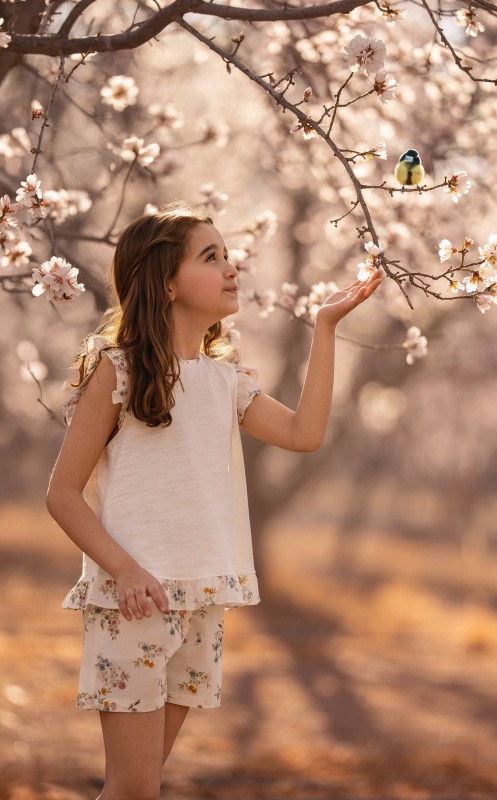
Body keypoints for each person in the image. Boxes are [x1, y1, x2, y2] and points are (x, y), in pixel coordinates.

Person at [45, 201, 382, 800]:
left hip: (203, 600)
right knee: (133, 790)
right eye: (210, 257)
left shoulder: (228, 383)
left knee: (139, 788)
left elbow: (305, 435)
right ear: (166, 283)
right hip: (135, 603)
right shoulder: (117, 372)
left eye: (228, 255)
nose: (231, 268)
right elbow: (62, 494)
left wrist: (325, 328)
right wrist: (124, 571)